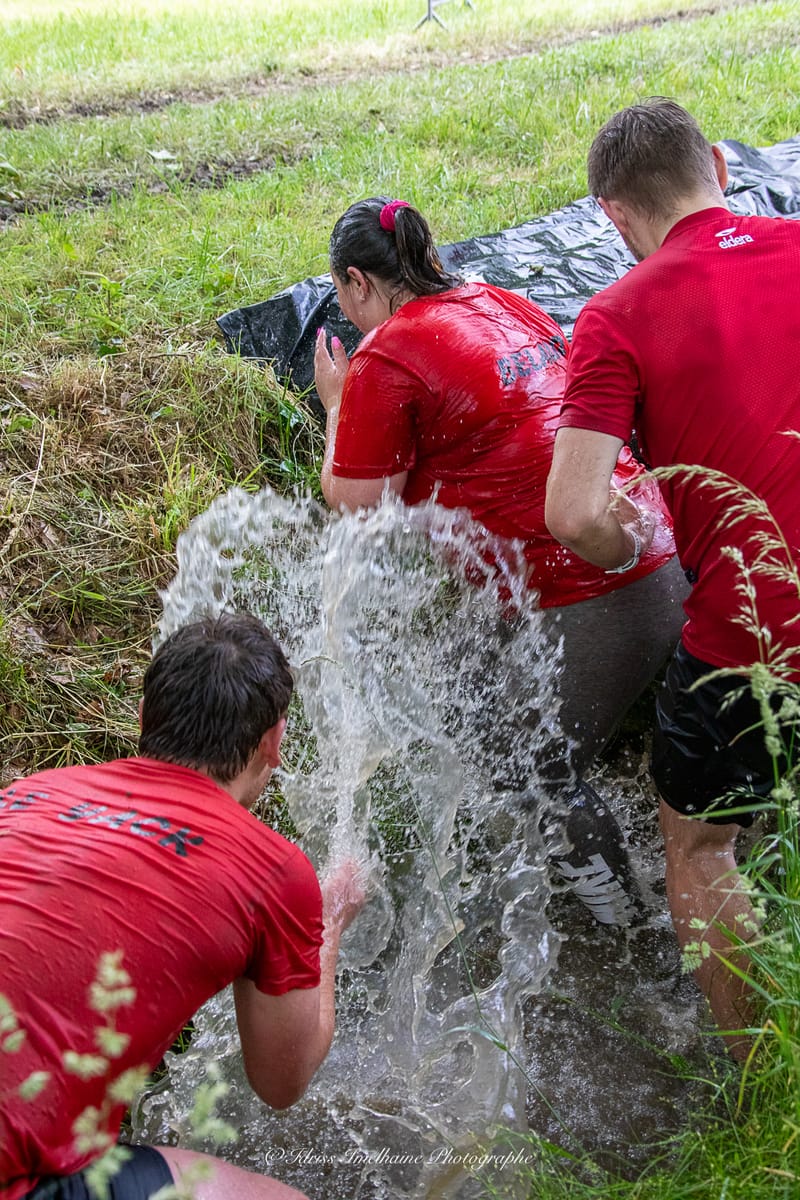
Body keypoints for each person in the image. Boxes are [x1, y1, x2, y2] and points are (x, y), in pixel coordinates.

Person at [313, 195, 689, 925]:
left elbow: (361, 509)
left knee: (534, 768)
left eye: (340, 296)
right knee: (472, 694)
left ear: (358, 283)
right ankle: (581, 869)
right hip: (656, 553)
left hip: (597, 587)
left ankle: (623, 932)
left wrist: (336, 406)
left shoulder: (386, 352)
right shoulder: (499, 300)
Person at [544, 97, 800, 1056]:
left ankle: (763, 1079)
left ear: (611, 216)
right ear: (724, 171)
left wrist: (632, 550)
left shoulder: (613, 314)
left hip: (755, 632)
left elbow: (572, 512)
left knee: (700, 844)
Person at [0, 612, 366, 1200]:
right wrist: (331, 920)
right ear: (274, 742)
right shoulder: (273, 869)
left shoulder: (29, 793)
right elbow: (281, 1080)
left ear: (143, 717)